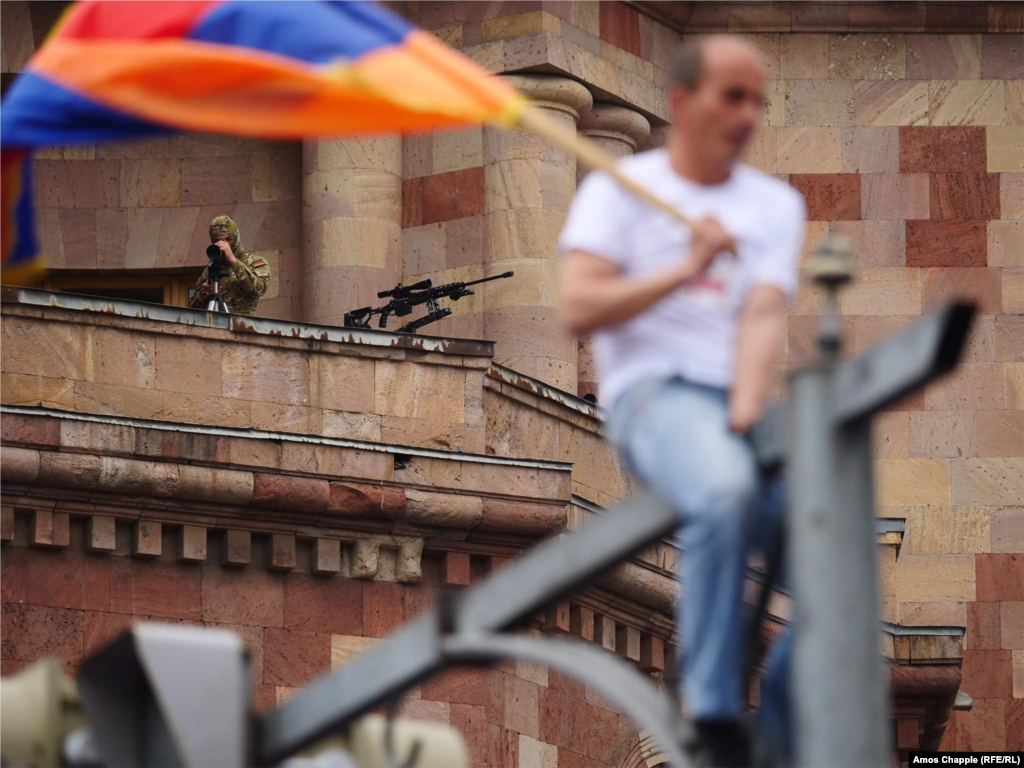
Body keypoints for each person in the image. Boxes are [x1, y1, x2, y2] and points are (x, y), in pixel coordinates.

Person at [559, 37, 806, 768]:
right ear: (681, 103)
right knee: (723, 492)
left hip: (738, 401)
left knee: (834, 551)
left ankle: (791, 733)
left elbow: (764, 317)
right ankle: (712, 711)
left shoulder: (773, 206)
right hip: (652, 396)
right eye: (732, 95)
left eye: (757, 99)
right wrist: (685, 267)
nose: (747, 114)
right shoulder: (618, 189)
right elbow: (579, 305)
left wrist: (747, 409)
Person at [189, 215, 270, 315]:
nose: (225, 244)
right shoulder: (210, 269)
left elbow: (258, 289)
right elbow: (191, 312)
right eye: (219, 240)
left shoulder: (254, 262)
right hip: (213, 326)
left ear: (236, 237)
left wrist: (233, 260)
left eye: (228, 239)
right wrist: (202, 296)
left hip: (242, 325)